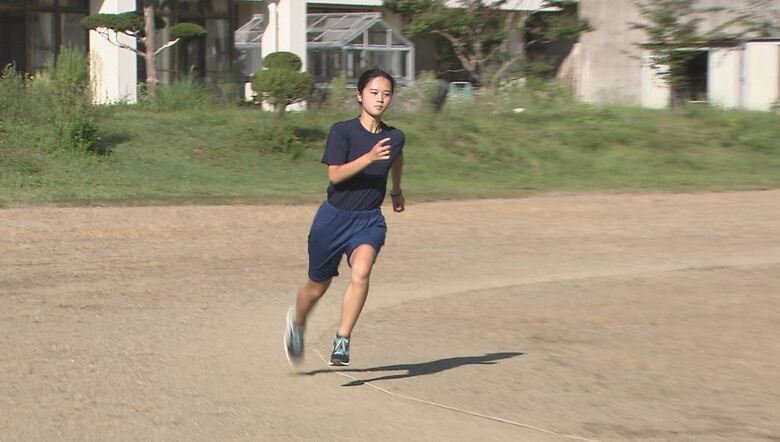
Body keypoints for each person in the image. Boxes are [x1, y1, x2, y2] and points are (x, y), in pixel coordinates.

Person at [285, 69, 405, 367]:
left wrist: (397, 190)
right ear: (360, 95)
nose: (380, 99)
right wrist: (368, 158)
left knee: (362, 272)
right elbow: (335, 175)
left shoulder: (395, 137)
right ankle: (297, 323)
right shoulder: (343, 131)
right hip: (333, 218)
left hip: (368, 220)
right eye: (374, 93)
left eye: (386, 94)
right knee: (316, 287)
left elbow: (397, 157)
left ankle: (342, 338)